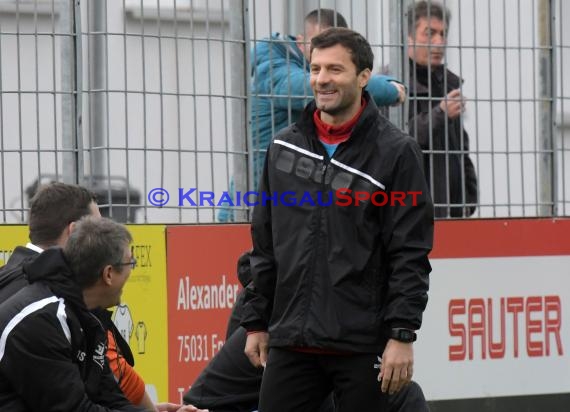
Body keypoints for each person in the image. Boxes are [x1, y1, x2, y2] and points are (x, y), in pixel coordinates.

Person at [240, 27, 433, 412]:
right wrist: (256, 322)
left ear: (364, 77)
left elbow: (409, 253)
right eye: (315, 68)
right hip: (292, 339)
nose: (322, 79)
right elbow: (265, 244)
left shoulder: (396, 153)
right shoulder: (282, 148)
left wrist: (402, 334)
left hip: (362, 344)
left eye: (335, 69)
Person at [0, 182, 204, 412]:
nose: (101, 234)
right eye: (96, 227)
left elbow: (106, 391)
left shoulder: (80, 303)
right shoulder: (37, 312)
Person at [217, 8, 406, 222]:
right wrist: (388, 88)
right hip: (253, 198)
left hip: (289, 192)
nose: (327, 53)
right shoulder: (272, 65)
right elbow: (304, 88)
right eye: (321, 46)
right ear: (300, 41)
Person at [184, 252, 430, 412]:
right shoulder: (279, 324)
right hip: (230, 402)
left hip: (310, 357)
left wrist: (402, 334)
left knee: (404, 396)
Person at [0, 216, 146, 411]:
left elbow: (109, 397)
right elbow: (75, 409)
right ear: (108, 274)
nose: (132, 270)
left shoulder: (89, 314)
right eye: (131, 263)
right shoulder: (39, 320)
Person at [407, 0, 478, 218]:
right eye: (429, 33)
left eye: (443, 34)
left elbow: (460, 146)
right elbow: (398, 137)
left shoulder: (448, 83)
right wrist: (440, 113)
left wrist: (468, 195)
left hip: (452, 211)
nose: (439, 42)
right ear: (408, 37)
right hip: (412, 211)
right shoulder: (392, 85)